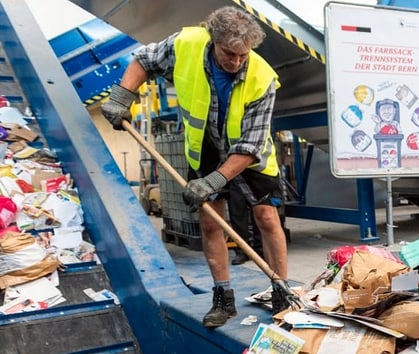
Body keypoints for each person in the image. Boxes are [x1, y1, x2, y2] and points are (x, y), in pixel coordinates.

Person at [101, 7, 288, 328]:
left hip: (249, 153)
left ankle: (281, 292)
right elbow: (144, 60)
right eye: (230, 54)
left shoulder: (262, 78)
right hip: (204, 148)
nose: (237, 62)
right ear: (213, 40)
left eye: (243, 55)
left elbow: (251, 146)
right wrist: (121, 96)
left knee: (267, 218)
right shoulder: (185, 44)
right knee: (210, 222)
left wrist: (213, 181)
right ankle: (223, 298)